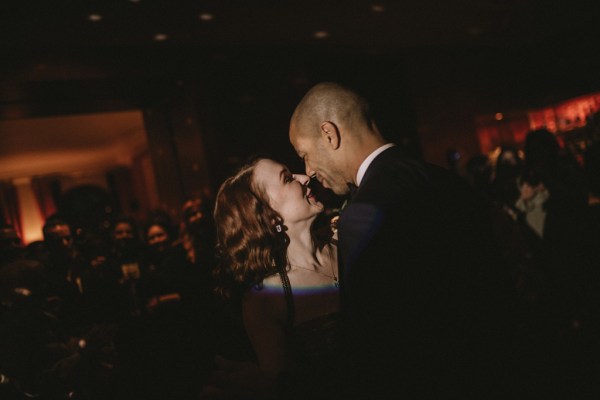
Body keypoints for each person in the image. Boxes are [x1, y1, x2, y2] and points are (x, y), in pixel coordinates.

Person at [287, 82, 518, 398]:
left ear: (329, 134)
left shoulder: (364, 214)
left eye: (305, 155)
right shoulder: (448, 182)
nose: (309, 171)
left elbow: (379, 344)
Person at [209, 157, 342, 398]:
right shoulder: (267, 298)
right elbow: (282, 387)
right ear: (269, 215)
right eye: (288, 178)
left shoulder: (347, 242)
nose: (304, 177)